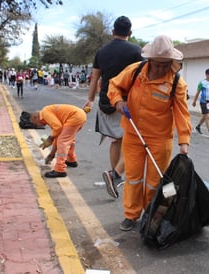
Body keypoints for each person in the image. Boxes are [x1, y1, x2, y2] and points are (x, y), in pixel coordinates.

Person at [107, 34, 192, 231]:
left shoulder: (177, 83)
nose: (162, 68)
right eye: (158, 64)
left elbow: (182, 113)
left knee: (155, 182)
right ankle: (131, 215)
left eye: (166, 64)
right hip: (134, 134)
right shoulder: (135, 71)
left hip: (160, 139)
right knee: (134, 178)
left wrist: (184, 143)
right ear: (150, 60)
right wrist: (118, 101)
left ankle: (150, 214)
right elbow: (114, 85)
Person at [83, 15, 143, 199]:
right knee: (135, 142)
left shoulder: (101, 51)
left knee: (115, 141)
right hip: (128, 104)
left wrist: (90, 99)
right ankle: (115, 175)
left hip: (106, 102)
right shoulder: (136, 51)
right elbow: (142, 79)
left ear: (113, 31)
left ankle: (115, 176)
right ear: (130, 33)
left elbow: (95, 77)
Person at [29, 104, 87, 178]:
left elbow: (58, 127)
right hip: (79, 115)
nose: (38, 125)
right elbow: (58, 133)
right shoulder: (47, 112)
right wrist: (52, 154)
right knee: (68, 139)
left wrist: (50, 138)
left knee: (63, 142)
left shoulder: (44, 113)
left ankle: (60, 169)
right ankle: (71, 160)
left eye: (36, 123)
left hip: (75, 116)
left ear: (35, 117)